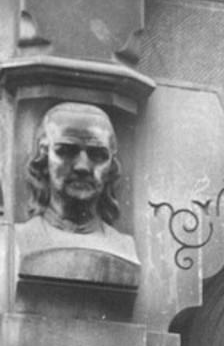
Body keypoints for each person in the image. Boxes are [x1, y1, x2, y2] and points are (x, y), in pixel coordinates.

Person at [13, 101, 140, 286]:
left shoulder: (123, 246)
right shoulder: (20, 238)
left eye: (97, 155)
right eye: (66, 151)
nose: (82, 167)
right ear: (44, 158)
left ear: (111, 167)